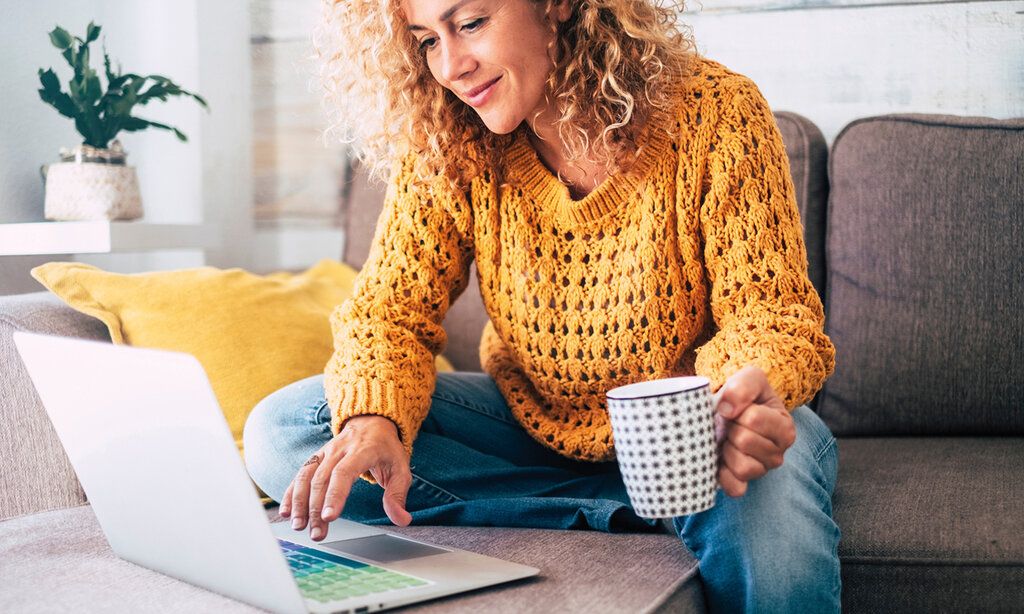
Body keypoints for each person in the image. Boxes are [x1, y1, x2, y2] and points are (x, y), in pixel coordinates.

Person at [243, 0, 841, 611]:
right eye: (426, 40)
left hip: (696, 428)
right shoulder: (448, 137)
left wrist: (730, 405)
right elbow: (387, 312)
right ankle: (626, 509)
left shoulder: (716, 112)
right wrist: (375, 420)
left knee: (763, 496)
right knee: (288, 429)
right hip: (532, 426)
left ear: (554, 6)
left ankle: (656, 498)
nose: (450, 65)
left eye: (470, 23)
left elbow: (771, 316)